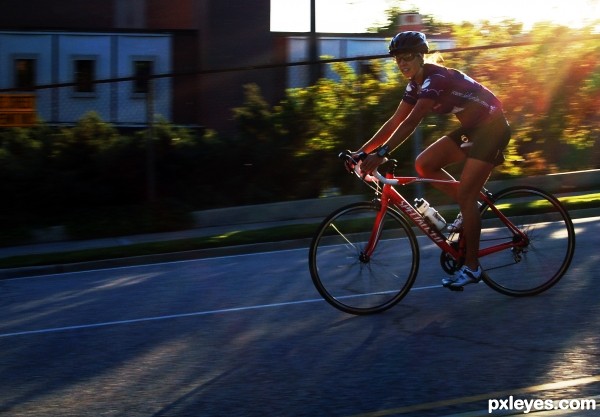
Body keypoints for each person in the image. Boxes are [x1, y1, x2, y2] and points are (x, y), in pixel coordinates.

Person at [350, 31, 511, 288]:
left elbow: (413, 120)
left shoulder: (435, 78)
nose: (402, 64)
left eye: (407, 58)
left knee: (468, 197)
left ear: (420, 56)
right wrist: (361, 152)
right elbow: (395, 121)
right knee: (424, 164)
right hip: (473, 129)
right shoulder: (414, 84)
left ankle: (472, 268)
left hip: (493, 128)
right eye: (397, 60)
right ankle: (467, 209)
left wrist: (381, 154)